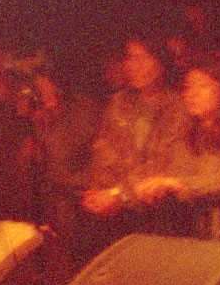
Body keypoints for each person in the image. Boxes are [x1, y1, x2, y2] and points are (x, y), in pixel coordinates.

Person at [81, 36, 189, 216]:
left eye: (144, 58)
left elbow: (165, 162)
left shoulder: (178, 105)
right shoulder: (118, 102)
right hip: (113, 207)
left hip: (161, 209)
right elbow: (102, 151)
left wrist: (121, 194)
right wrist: (99, 190)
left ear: (161, 63)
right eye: (131, 57)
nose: (134, 65)